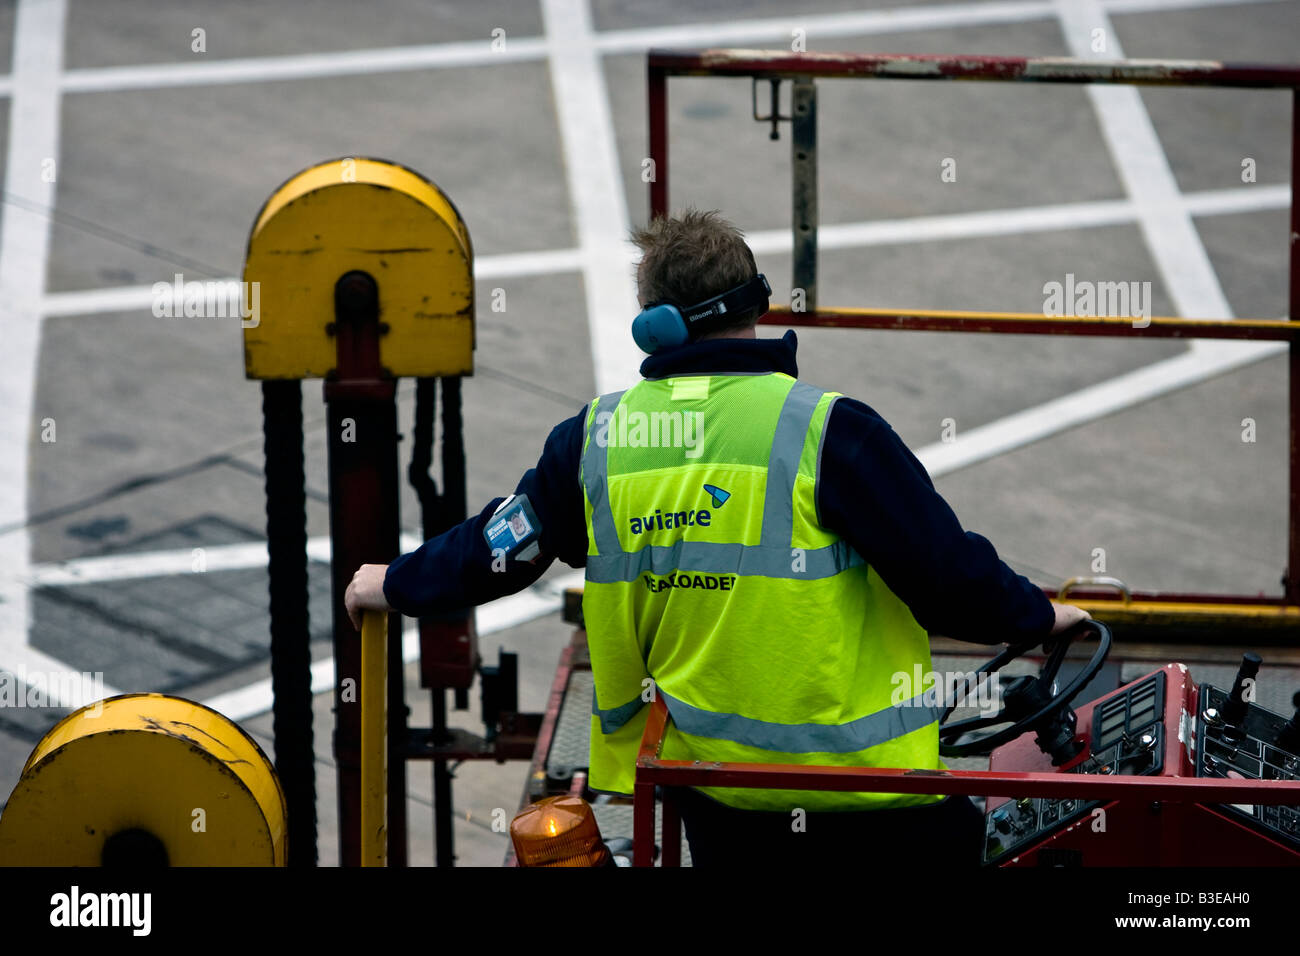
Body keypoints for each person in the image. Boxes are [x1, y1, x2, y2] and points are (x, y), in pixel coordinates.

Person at [345, 208, 1090, 867]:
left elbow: (499, 551)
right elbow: (947, 577)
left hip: (717, 796)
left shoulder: (597, 439)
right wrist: (1036, 614)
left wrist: (393, 582)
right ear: (758, 304)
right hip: (869, 793)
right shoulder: (828, 429)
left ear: (653, 327)